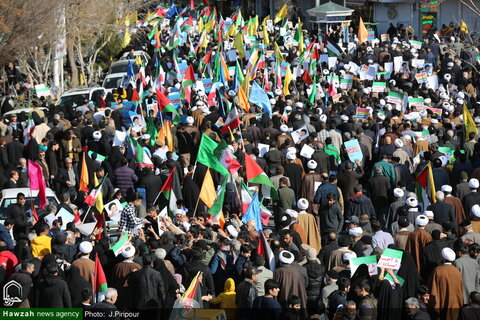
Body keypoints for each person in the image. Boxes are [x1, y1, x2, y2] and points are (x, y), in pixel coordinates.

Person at [428, 247, 463, 320]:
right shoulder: (457, 271)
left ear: (443, 259)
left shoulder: (437, 270)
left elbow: (432, 288)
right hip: (454, 303)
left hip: (440, 304)